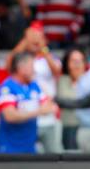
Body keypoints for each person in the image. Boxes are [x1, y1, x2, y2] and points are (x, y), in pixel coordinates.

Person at [6, 23, 63, 153]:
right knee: (28, 152)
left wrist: (43, 47)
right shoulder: (22, 59)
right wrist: (26, 40)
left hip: (47, 111)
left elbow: (57, 71)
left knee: (53, 152)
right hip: (26, 113)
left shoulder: (50, 57)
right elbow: (9, 65)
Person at [0, 52, 58, 154]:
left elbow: (49, 106)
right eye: (32, 66)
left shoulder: (34, 86)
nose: (34, 70)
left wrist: (43, 109)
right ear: (21, 67)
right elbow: (10, 116)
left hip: (29, 147)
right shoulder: (8, 87)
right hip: (9, 148)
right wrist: (38, 111)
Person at [57, 47, 88, 150]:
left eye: (80, 61)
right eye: (74, 61)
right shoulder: (62, 80)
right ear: (67, 63)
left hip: (86, 128)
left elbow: (62, 101)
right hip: (66, 127)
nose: (77, 64)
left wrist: (64, 102)